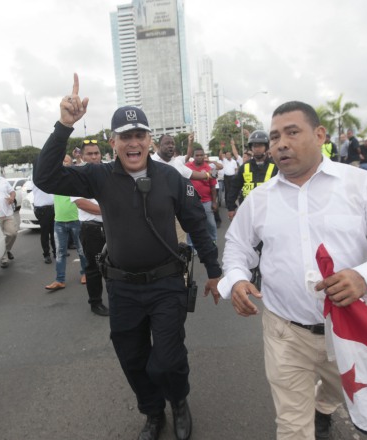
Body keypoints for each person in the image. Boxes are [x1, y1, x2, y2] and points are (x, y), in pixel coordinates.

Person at [217, 101, 367, 440]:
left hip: (347, 330)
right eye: (274, 137)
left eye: (292, 132)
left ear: (319, 135)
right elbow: (238, 246)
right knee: (292, 428)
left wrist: (364, 276)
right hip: (285, 333)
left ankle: (325, 407)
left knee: (348, 398)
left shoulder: (362, 186)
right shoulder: (260, 199)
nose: (280, 143)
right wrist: (238, 278)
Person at [34, 74, 221, 440]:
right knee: (132, 359)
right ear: (113, 141)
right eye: (125, 136)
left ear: (148, 140)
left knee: (167, 359)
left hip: (167, 284)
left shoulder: (170, 178)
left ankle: (178, 401)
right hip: (122, 289)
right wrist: (63, 126)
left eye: (140, 135)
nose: (133, 143)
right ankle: (153, 413)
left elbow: (198, 225)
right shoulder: (99, 176)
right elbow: (46, 178)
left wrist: (215, 271)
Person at [72, 139, 110, 316]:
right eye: (90, 154)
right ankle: (95, 303)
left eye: (96, 153)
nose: (94, 157)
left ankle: (118, 299)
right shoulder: (77, 175)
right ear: (81, 155)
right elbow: (81, 203)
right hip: (92, 230)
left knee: (116, 266)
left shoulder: (109, 171)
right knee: (94, 269)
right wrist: (110, 210)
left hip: (112, 227)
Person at [44, 155, 88, 292]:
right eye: (61, 160)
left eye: (66, 160)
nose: (63, 162)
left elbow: (83, 167)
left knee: (82, 250)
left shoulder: (75, 177)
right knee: (60, 252)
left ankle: (85, 273)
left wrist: (78, 158)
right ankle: (60, 280)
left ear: (71, 163)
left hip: (76, 220)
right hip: (59, 222)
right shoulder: (55, 179)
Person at [225, 130, 279, 220]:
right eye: (254, 146)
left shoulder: (276, 167)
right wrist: (231, 208)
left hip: (269, 211)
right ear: (251, 148)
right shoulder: (244, 167)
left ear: (267, 147)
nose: (257, 149)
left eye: (260, 146)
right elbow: (234, 188)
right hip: (247, 210)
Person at [185, 147, 218, 242]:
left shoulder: (211, 169)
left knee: (210, 223)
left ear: (204, 156)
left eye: (201, 155)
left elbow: (213, 187)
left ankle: (213, 240)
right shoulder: (186, 166)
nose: (199, 157)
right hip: (191, 201)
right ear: (193, 156)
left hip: (207, 201)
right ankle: (191, 245)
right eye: (197, 155)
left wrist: (214, 202)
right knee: (191, 223)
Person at [31, 182, 57, 264]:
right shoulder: (37, 177)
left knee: (54, 232)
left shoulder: (50, 175)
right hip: (42, 209)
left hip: (53, 207)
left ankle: (56, 252)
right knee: (45, 233)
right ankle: (46, 255)